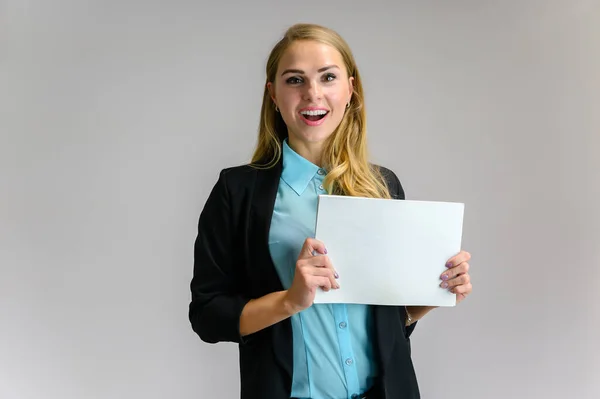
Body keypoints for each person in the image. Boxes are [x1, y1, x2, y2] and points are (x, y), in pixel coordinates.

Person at [188, 23, 473, 399]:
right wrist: (290, 300)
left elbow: (390, 324)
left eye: (328, 77)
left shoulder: (384, 186)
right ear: (273, 94)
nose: (312, 94)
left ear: (350, 90)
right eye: (294, 80)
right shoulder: (237, 192)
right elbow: (208, 316)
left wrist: (435, 292)